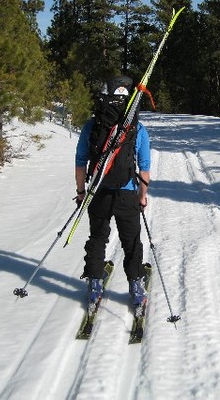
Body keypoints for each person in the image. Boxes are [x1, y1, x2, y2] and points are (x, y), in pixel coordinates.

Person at [74, 75, 151, 309]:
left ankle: (95, 283)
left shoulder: (92, 126)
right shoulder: (137, 129)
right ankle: (136, 286)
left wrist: (81, 192)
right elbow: (144, 166)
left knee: (98, 238)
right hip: (127, 194)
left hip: (98, 192)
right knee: (132, 241)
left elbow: (80, 162)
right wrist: (142, 196)